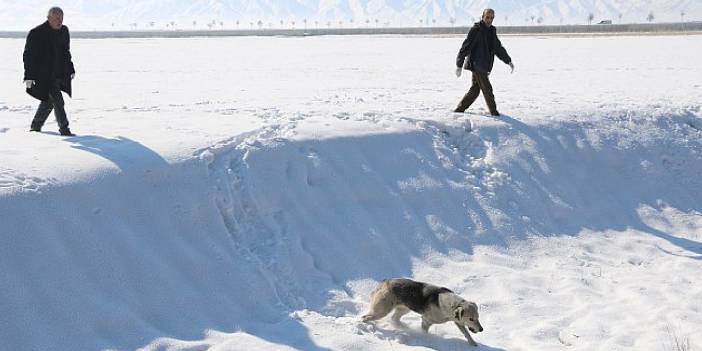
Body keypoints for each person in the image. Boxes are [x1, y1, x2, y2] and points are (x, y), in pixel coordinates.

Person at [23, 7, 76, 136]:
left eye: (61, 18)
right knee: (58, 100)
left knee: (48, 101)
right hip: (44, 75)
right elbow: (28, 56)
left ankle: (36, 126)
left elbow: (66, 52)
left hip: (59, 73)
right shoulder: (37, 33)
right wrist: (29, 76)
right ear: (49, 18)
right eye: (56, 18)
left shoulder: (64, 31)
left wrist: (70, 68)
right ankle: (64, 129)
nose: (60, 21)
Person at [454, 8, 514, 116]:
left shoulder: (491, 31)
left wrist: (508, 60)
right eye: (487, 17)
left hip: (484, 65)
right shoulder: (476, 30)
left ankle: (459, 110)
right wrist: (459, 64)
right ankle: (494, 113)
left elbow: (497, 48)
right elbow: (465, 47)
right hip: (477, 64)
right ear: (482, 17)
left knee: (475, 90)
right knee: (487, 89)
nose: (489, 20)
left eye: (491, 18)